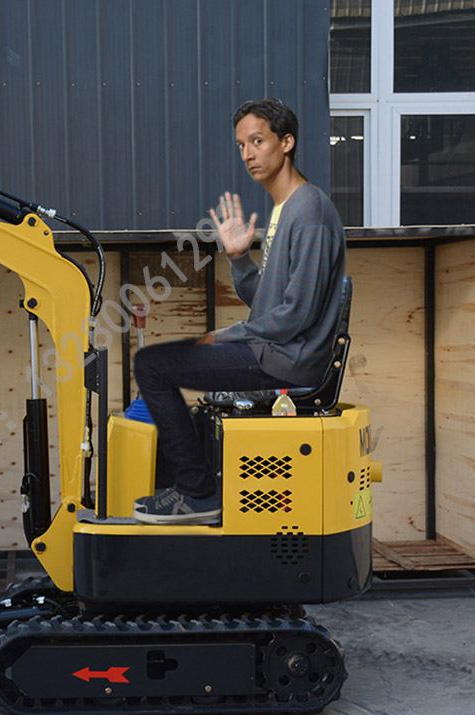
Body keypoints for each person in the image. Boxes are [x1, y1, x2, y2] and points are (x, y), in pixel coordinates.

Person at [133, 99, 346, 525]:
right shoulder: (284, 209)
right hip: (276, 351)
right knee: (158, 364)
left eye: (257, 141)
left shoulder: (309, 211)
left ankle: (198, 495)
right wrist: (239, 257)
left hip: (288, 361)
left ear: (286, 143)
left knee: (152, 366)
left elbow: (296, 316)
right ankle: (193, 488)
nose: (248, 153)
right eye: (241, 145)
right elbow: (269, 301)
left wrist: (225, 336)